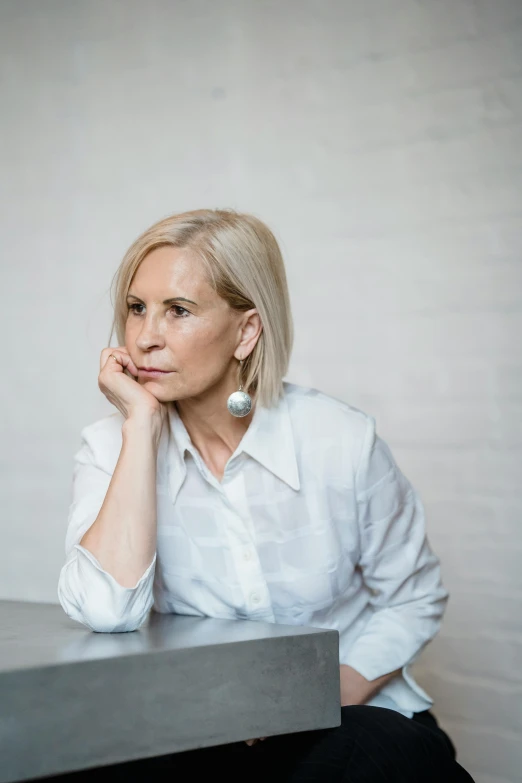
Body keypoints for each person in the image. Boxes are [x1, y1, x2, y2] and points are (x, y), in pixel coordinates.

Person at [57, 209, 475, 782]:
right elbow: (106, 612)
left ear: (247, 331)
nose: (144, 336)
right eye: (136, 308)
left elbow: (413, 596)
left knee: (360, 757)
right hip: (207, 733)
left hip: (352, 721)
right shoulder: (111, 448)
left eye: (177, 310)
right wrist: (140, 425)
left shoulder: (339, 440)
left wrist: (317, 700)